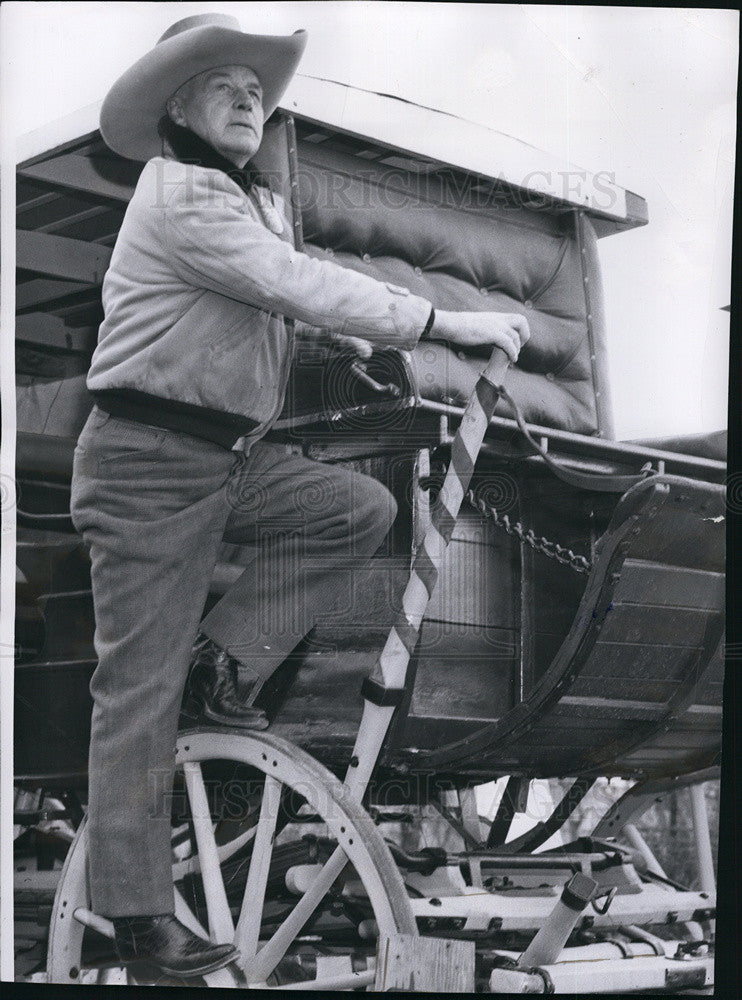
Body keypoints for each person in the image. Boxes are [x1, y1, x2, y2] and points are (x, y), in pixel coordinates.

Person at [70, 12, 530, 978]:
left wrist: (339, 338)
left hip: (224, 457)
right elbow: (286, 283)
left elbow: (263, 308)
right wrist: (441, 320)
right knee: (136, 693)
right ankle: (136, 914)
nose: (250, 98)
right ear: (177, 108)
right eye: (225, 84)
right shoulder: (182, 194)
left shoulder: (236, 203)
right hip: (148, 461)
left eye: (256, 88)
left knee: (353, 511)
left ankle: (225, 669)